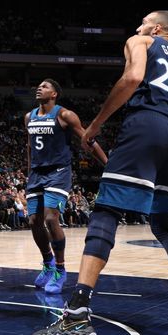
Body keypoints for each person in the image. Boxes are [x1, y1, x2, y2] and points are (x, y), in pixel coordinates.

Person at [32, 11, 168, 335]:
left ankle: (78, 313)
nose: (137, 27)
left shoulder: (141, 41)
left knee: (105, 213)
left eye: (142, 23)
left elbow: (132, 78)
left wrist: (95, 125)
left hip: (146, 127)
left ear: (156, 28)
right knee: (164, 227)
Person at [25, 79, 108, 295]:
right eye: (39, 85)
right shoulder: (29, 117)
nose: (39, 88)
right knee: (34, 221)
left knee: (51, 218)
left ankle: (60, 270)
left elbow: (87, 139)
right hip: (36, 174)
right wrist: (28, 174)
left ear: (54, 94)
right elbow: (29, 147)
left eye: (45, 86)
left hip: (58, 172)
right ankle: (48, 263)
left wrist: (107, 165)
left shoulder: (65, 115)